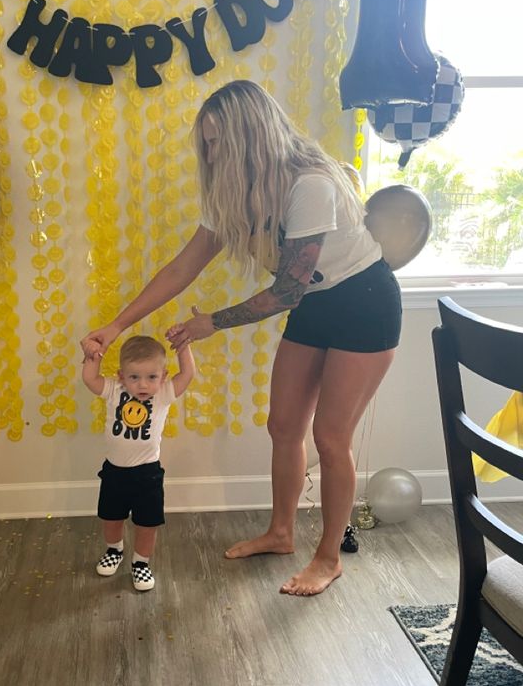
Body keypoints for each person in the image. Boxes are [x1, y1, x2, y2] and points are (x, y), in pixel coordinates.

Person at [81, 79, 401, 597]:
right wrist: (116, 325)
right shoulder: (235, 194)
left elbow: (287, 290)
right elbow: (182, 267)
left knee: (330, 437)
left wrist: (211, 323)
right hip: (316, 303)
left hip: (364, 302)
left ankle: (327, 558)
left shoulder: (309, 183)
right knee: (283, 426)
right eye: (206, 142)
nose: (210, 152)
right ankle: (280, 532)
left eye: (218, 141)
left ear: (251, 136)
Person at [82, 334, 195, 591]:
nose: (143, 384)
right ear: (122, 376)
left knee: (147, 523)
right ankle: (115, 549)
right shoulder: (114, 390)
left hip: (147, 475)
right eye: (134, 377)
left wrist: (184, 347)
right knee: (111, 518)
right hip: (114, 472)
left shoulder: (164, 394)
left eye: (151, 377)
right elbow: (90, 378)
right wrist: (94, 354)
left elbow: (187, 375)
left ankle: (141, 563)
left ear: (163, 376)